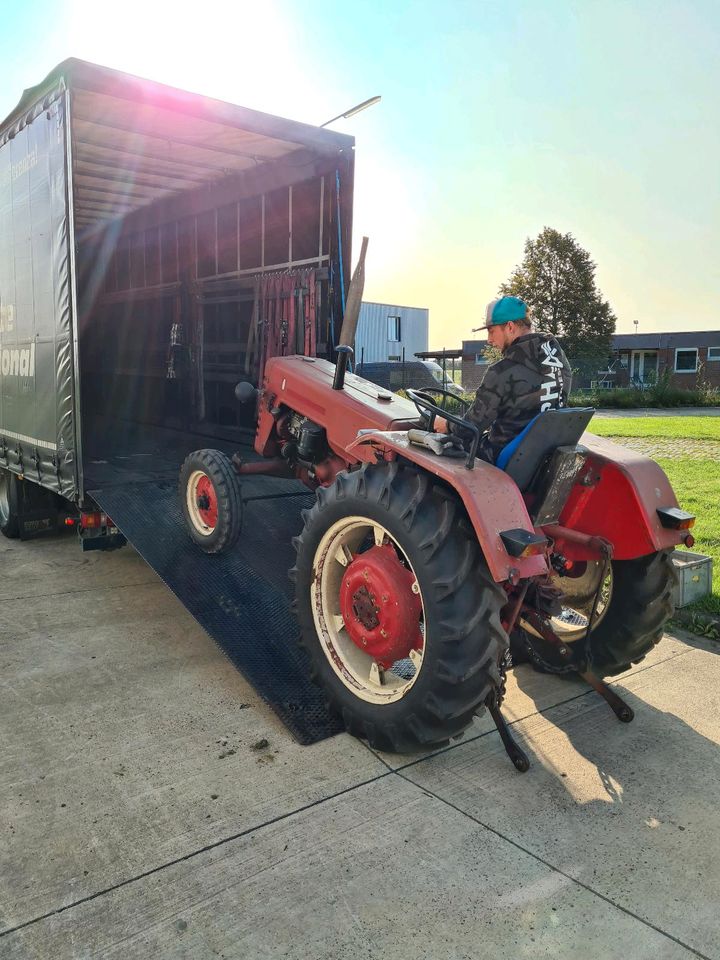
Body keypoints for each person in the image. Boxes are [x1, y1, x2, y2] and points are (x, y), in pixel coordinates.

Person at [439, 296, 572, 464]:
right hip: (543, 458)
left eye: (491, 331)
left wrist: (447, 425)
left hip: (504, 459)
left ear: (510, 327)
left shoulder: (502, 372)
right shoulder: (559, 363)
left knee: (438, 444)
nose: (489, 340)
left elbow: (471, 427)